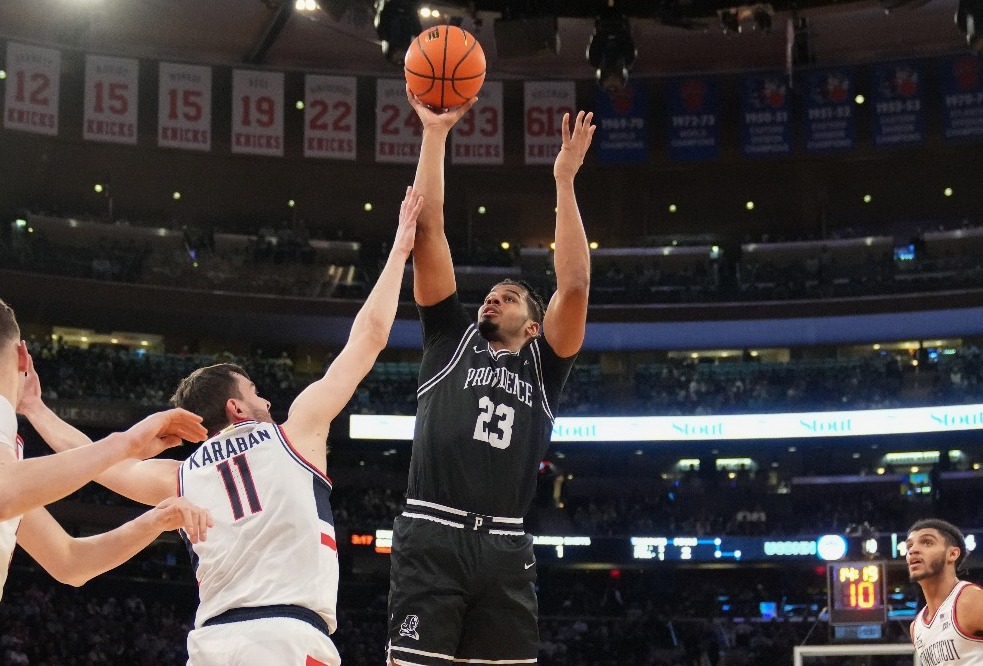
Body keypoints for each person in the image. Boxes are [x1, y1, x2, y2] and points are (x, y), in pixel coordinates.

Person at [21, 187, 424, 665]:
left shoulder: (180, 476)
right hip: (287, 639)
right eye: (256, 392)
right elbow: (371, 335)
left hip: (212, 644)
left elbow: (92, 460)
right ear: (235, 407)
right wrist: (400, 247)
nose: (268, 399)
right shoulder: (297, 432)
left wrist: (36, 410)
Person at [385, 88, 595, 666]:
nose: (494, 299)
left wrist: (564, 181)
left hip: (505, 542)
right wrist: (433, 134)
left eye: (510, 297)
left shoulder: (544, 365)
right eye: (492, 296)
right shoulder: (448, 337)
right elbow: (429, 234)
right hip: (433, 532)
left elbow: (574, 285)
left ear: (535, 325)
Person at [0, 297, 213, 601]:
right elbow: (4, 492)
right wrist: (127, 443)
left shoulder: (11, 462)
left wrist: (155, 521)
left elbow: (70, 562)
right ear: (23, 356)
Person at [906, 518, 983, 664]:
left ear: (952, 554)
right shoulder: (916, 627)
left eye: (927, 542)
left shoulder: (970, 599)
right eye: (909, 546)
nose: (913, 550)